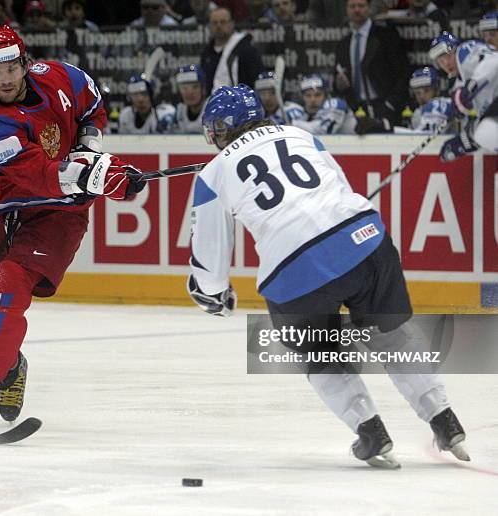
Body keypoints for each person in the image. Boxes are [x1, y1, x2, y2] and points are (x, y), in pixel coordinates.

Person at [187, 83, 469, 468]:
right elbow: (340, 186)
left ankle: (370, 431)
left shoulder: (212, 173)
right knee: (391, 334)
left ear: (223, 128)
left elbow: (210, 257)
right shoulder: (303, 135)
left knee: (319, 353)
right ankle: (445, 418)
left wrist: (212, 293)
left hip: (293, 271)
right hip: (365, 239)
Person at [0, 24, 146, 430]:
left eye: (12, 68)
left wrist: (89, 150)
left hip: (57, 211)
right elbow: (32, 173)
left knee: (6, 280)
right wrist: (95, 174)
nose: (6, 79)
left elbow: (91, 103)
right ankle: (10, 366)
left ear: (25, 63)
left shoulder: (61, 76)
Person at [334, 0, 410, 129]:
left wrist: (390, 104)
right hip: (356, 108)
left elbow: (403, 72)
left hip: (384, 106)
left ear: (369, 8)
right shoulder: (343, 44)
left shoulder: (386, 36)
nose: (356, 10)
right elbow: (337, 76)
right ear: (347, 10)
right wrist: (339, 84)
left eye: (361, 6)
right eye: (352, 6)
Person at [429, 31, 498, 159]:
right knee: (484, 133)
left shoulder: (465, 51)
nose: (446, 63)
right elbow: (481, 119)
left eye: (447, 56)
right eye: (440, 60)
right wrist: (463, 142)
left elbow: (494, 61)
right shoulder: (459, 87)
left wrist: (471, 87)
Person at [200, 7, 264, 93]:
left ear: (232, 24)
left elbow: (256, 80)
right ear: (209, 26)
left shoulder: (247, 50)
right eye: (214, 23)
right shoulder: (206, 52)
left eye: (223, 22)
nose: (218, 26)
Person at [290, 74, 357, 134]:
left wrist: (293, 126)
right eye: (308, 95)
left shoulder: (336, 104)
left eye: (318, 95)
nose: (313, 100)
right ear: (302, 98)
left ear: (326, 96)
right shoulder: (301, 113)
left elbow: (323, 130)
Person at [406, 66, 452, 133]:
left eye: (427, 90)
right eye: (418, 93)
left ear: (437, 90)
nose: (422, 96)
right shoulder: (417, 113)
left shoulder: (446, 105)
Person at [173, 64, 207, 134]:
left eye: (195, 87)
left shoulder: (212, 109)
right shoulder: (179, 112)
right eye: (184, 88)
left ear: (203, 89)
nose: (189, 93)